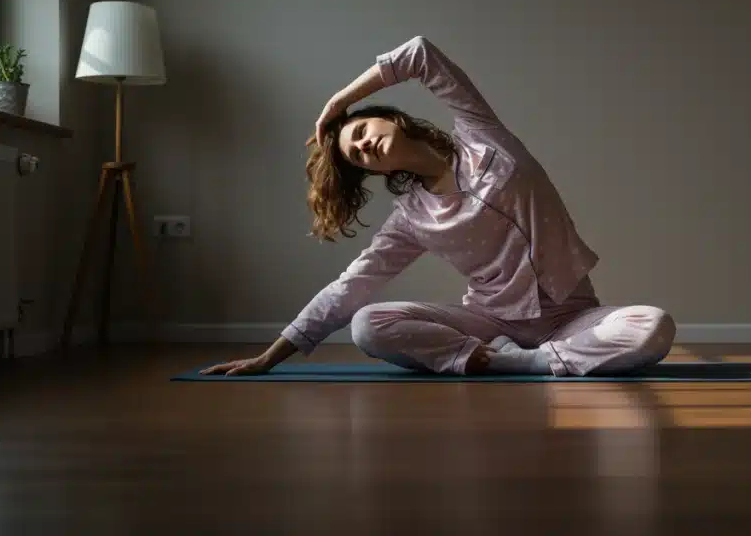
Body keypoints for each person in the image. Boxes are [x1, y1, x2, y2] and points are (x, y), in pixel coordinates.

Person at [201, 36, 675, 377]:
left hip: (572, 317)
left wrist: (339, 103)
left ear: (391, 118)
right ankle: (501, 356)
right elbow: (350, 288)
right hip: (490, 323)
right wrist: (270, 357)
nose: (364, 145)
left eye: (363, 132)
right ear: (374, 172)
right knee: (369, 324)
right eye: (355, 154)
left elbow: (420, 54)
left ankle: (525, 362)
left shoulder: (483, 136)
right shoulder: (411, 217)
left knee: (652, 326)